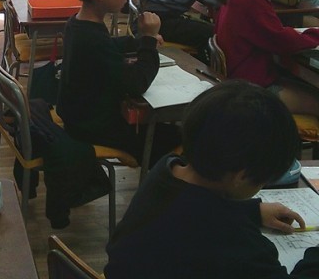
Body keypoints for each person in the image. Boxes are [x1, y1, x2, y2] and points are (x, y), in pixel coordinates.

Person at [105, 80, 319, 279]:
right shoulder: (237, 244)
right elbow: (207, 223)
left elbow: (192, 214)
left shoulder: (167, 169)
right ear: (242, 176)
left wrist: (252, 212)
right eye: (262, 180)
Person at [56, 0, 181, 164]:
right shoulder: (92, 37)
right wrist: (149, 40)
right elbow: (136, 83)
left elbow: (108, 47)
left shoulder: (78, 24)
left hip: (81, 119)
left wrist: (138, 41)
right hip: (96, 129)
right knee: (180, 137)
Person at [215, 0, 319, 121]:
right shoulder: (253, 3)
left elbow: (272, 35)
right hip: (251, 88)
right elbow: (282, 41)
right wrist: (314, 34)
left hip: (238, 78)